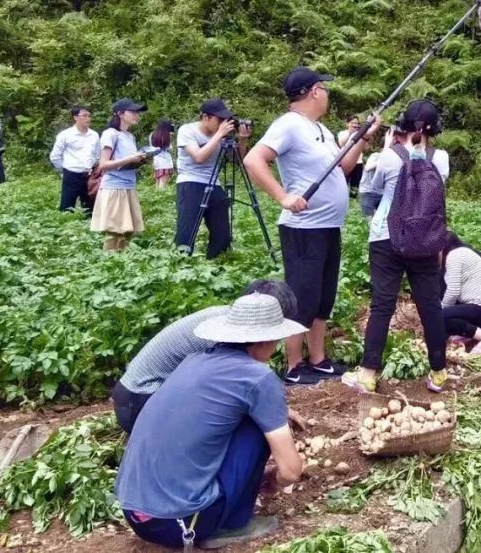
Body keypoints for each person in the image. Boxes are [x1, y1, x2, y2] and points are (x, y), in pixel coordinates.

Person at [114, 293, 305, 550]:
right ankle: (235, 523)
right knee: (257, 427)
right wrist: (273, 480)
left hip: (136, 515)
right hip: (179, 524)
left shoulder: (194, 361)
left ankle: (211, 503)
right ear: (265, 340)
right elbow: (291, 470)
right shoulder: (258, 377)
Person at [244, 67, 376, 386]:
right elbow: (252, 160)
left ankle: (317, 360)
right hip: (303, 229)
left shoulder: (321, 130)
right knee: (301, 298)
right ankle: (293, 365)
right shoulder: (288, 125)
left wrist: (362, 140)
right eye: (325, 89)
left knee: (322, 297)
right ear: (314, 91)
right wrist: (283, 196)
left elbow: (343, 168)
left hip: (328, 226)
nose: (327, 94)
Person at [342, 99, 451, 394]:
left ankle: (368, 373)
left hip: (386, 237)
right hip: (425, 239)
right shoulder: (440, 159)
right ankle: (439, 373)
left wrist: (388, 148)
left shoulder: (388, 157)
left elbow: (372, 191)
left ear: (401, 124)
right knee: (430, 305)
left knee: (382, 305)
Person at [112, 280, 300, 434]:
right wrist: (273, 414)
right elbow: (236, 393)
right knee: (242, 423)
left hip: (132, 397)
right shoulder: (226, 338)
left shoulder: (228, 322)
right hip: (140, 400)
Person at [176, 99, 251, 259]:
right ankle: (181, 263)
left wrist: (242, 140)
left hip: (214, 182)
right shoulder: (187, 130)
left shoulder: (222, 135)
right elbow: (198, 157)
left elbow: (237, 160)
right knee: (187, 229)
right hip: (190, 181)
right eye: (219, 119)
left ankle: (216, 263)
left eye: (226, 120)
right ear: (205, 117)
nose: (223, 123)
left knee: (222, 233)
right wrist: (218, 135)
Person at [91, 99, 150, 252]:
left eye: (138, 113)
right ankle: (109, 263)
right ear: (120, 113)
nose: (137, 115)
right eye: (133, 112)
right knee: (114, 231)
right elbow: (103, 164)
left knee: (127, 230)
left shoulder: (130, 136)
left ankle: (121, 262)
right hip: (114, 187)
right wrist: (130, 158)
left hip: (128, 186)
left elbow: (124, 162)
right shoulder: (110, 134)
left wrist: (140, 160)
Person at [441, 231, 481, 355]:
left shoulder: (453, 256)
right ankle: (473, 335)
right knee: (444, 318)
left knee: (440, 317)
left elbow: (453, 291)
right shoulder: (465, 252)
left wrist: (442, 311)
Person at [49, 105, 99, 213]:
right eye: (84, 115)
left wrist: (93, 166)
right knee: (67, 206)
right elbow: (55, 156)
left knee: (90, 207)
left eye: (89, 116)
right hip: (71, 174)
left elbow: (97, 155)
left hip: (89, 175)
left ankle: (89, 227)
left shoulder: (94, 135)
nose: (88, 118)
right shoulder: (65, 135)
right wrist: (65, 169)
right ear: (75, 117)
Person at [358, 129, 393, 219]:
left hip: (382, 193)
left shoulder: (392, 159)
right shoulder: (375, 156)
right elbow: (368, 167)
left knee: (382, 220)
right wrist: (384, 158)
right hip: (368, 192)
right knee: (367, 219)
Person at [337, 116, 365, 196]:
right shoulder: (342, 133)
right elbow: (342, 144)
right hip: (345, 161)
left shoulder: (360, 134)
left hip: (358, 162)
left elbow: (365, 148)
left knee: (355, 186)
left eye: (356, 123)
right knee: (343, 183)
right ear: (347, 124)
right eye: (353, 123)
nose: (355, 125)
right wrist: (350, 133)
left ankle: (353, 202)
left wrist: (364, 136)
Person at [149, 119, 176, 191]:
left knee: (157, 183)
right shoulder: (167, 135)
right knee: (163, 184)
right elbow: (170, 148)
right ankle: (160, 200)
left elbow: (151, 148)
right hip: (165, 161)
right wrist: (171, 137)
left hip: (156, 161)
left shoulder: (152, 134)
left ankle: (155, 200)